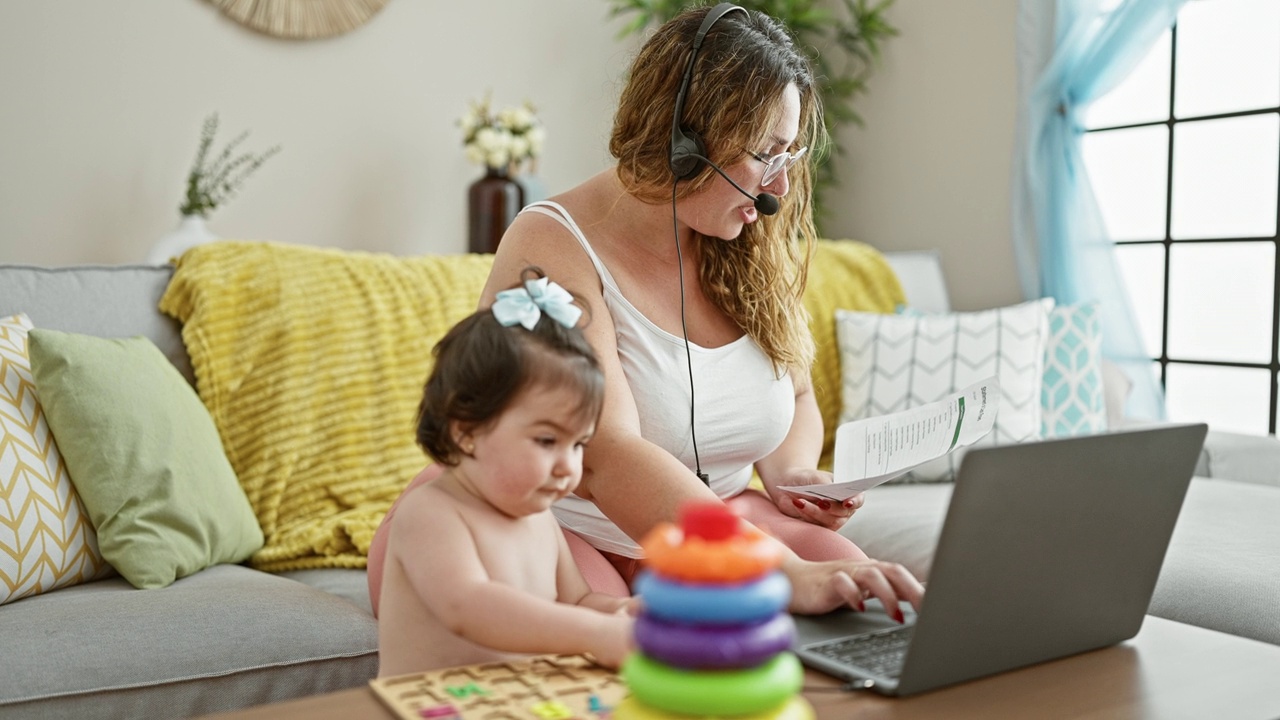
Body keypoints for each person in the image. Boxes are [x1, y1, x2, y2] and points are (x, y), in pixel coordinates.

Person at [473, 4, 925, 618]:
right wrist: (780, 570)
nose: (779, 188)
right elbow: (604, 456)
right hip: (574, 532)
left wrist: (793, 474)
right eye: (767, 154)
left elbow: (794, 396)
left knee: (852, 600)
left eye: (787, 155)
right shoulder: (551, 244)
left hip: (724, 518)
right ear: (685, 140)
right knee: (608, 658)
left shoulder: (745, 238)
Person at [376, 271, 635, 677]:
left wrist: (622, 612)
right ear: (466, 432)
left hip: (518, 705)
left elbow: (578, 601)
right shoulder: (432, 513)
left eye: (578, 444)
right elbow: (470, 606)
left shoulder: (539, 519)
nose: (569, 465)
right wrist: (594, 633)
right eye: (548, 441)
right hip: (432, 709)